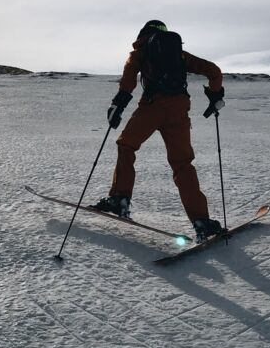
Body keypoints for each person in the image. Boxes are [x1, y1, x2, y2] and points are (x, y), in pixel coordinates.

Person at [94, 19, 226, 243]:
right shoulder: (180, 55)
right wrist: (215, 96)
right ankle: (202, 222)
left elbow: (128, 81)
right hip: (179, 110)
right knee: (182, 164)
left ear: (143, 33)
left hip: (152, 108)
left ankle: (120, 199)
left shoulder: (140, 52)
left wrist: (118, 105)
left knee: (126, 146)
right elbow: (214, 71)